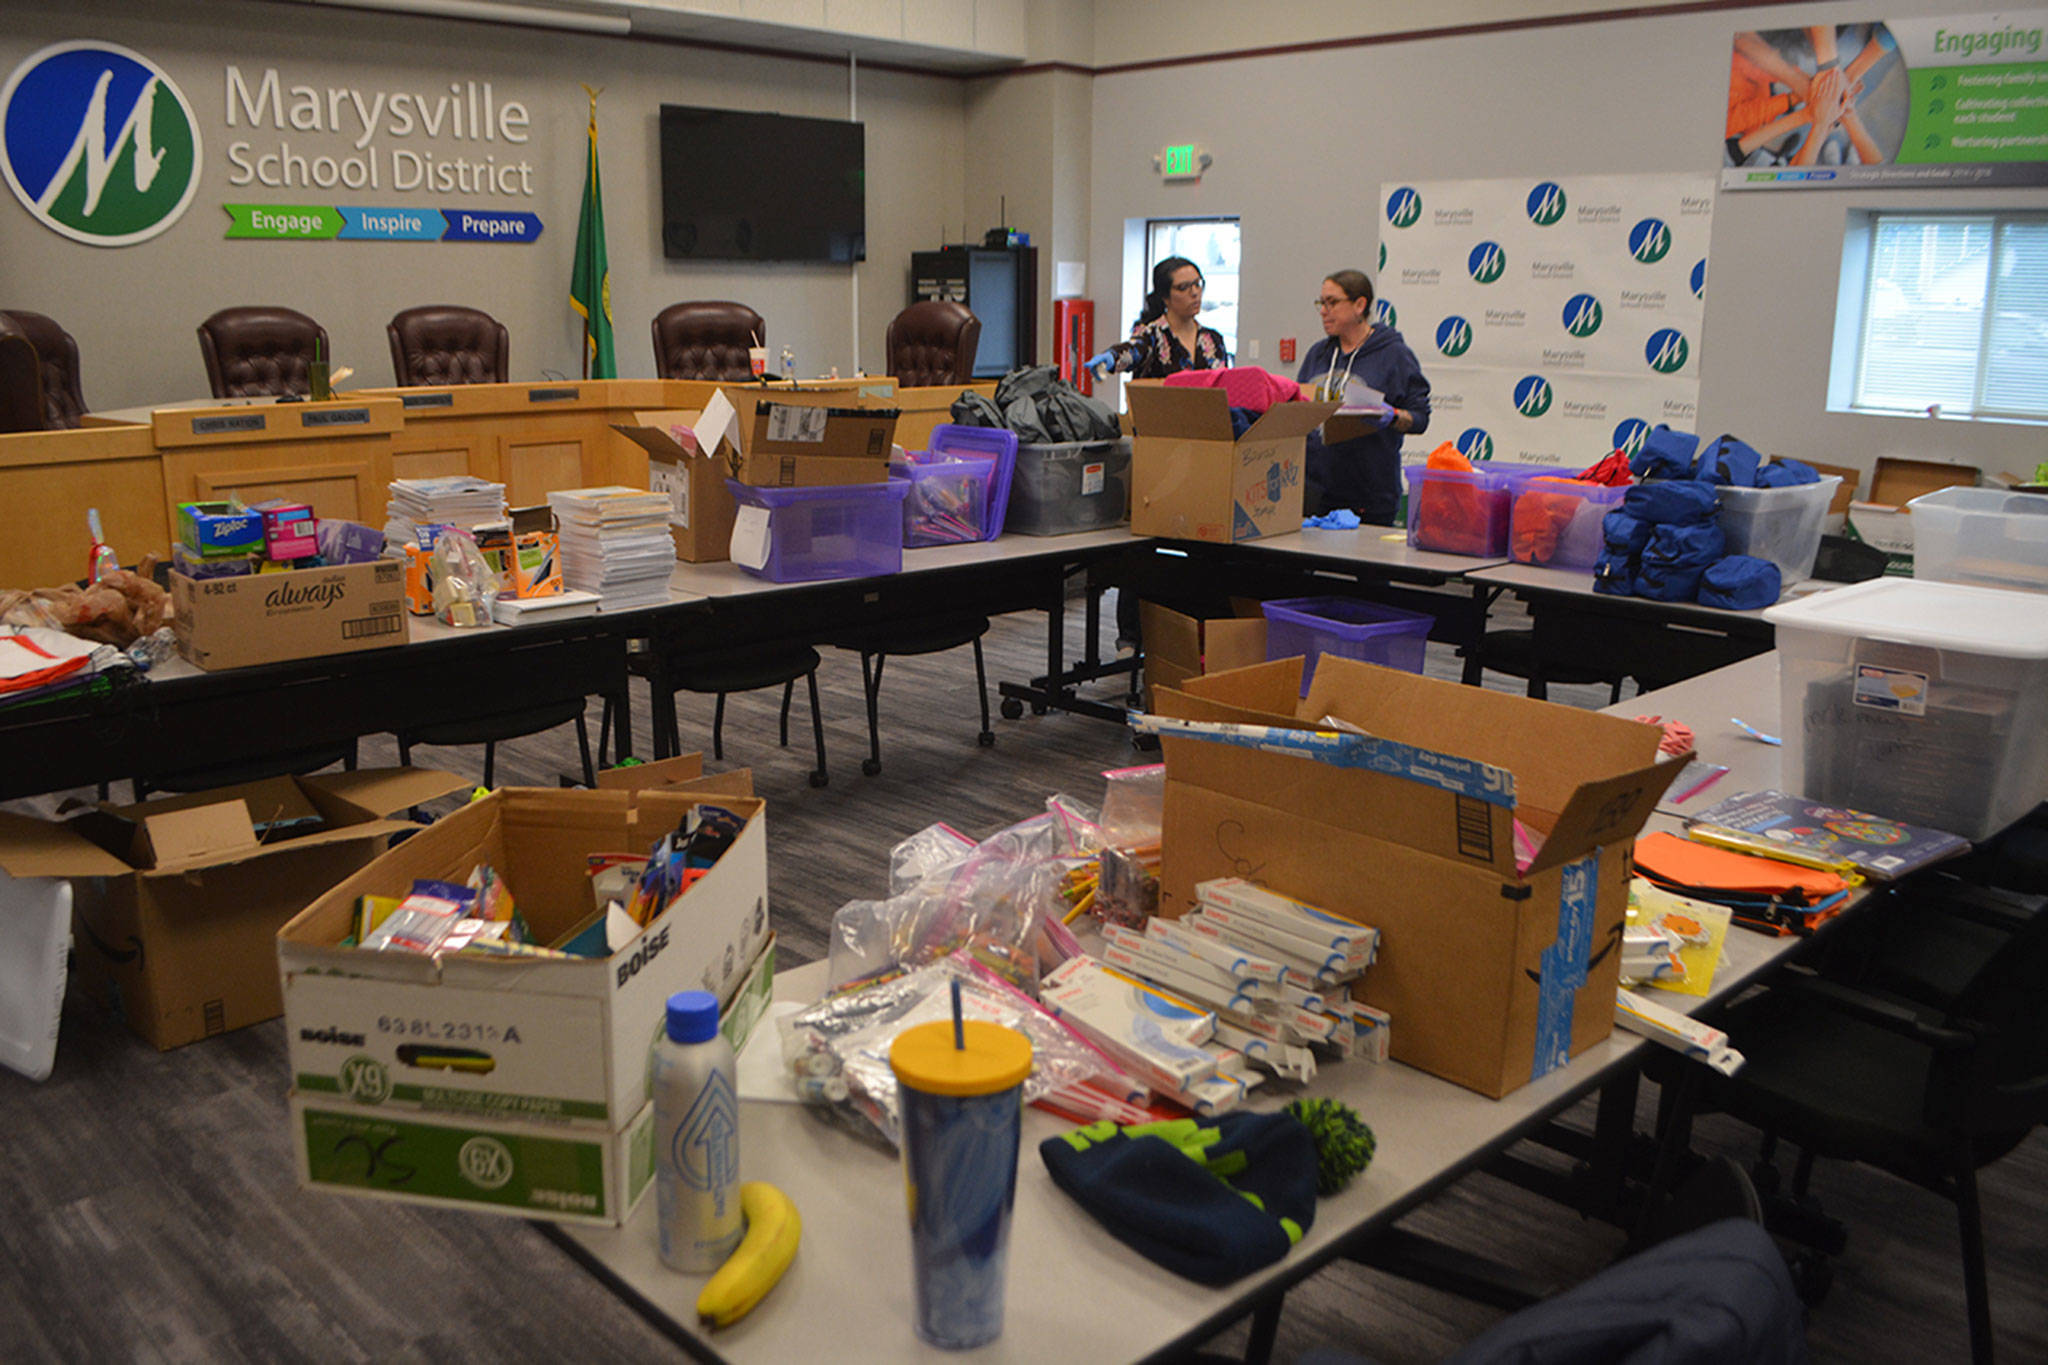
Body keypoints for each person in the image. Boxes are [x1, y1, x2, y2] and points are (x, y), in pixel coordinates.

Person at [1297, 270, 1430, 525]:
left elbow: (1420, 418)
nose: (1324, 311)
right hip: (1316, 492)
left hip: (1370, 496)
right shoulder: (1318, 354)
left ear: (1360, 305)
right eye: (1321, 303)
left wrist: (1391, 416)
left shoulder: (1394, 355)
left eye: (1332, 302)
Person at [1088, 256, 1231, 379]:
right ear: (1165, 296)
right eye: (1183, 287)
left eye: (1197, 284)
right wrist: (1111, 358)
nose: (1194, 293)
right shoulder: (1151, 335)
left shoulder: (1213, 339)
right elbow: (1133, 349)